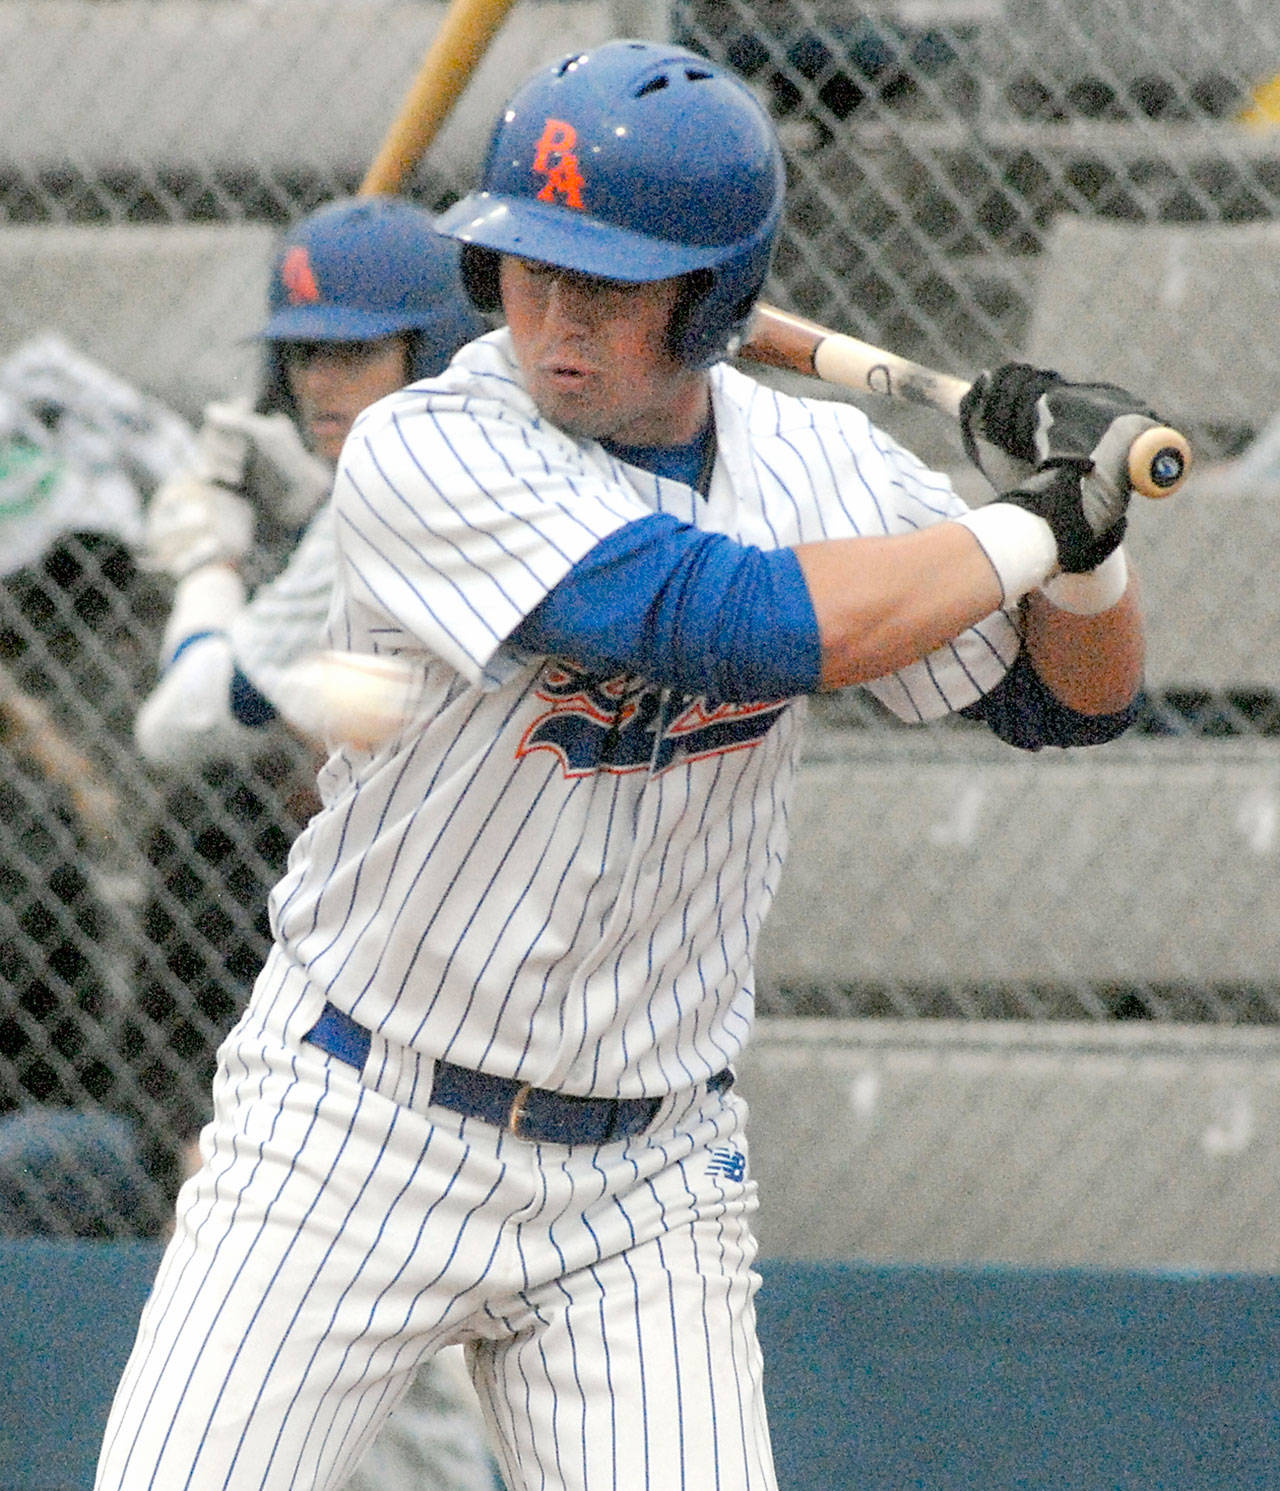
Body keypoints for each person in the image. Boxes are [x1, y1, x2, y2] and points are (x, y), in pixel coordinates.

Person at [96, 40, 1159, 1491]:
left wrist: (1090, 546)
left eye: (602, 284)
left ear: (711, 299)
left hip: (646, 1179)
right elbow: (732, 624)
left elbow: (1069, 701)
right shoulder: (425, 448)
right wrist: (1033, 518)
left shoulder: (816, 464)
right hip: (351, 1122)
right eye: (527, 271)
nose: (552, 322)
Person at [121, 195, 497, 1491]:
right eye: (307, 354)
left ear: (435, 348)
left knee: (398, 1416)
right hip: (430, 988)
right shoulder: (466, 468)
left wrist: (209, 565)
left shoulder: (394, 500)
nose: (322, 379)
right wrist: (297, 489)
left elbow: (181, 719)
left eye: (360, 350)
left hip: (445, 1014)